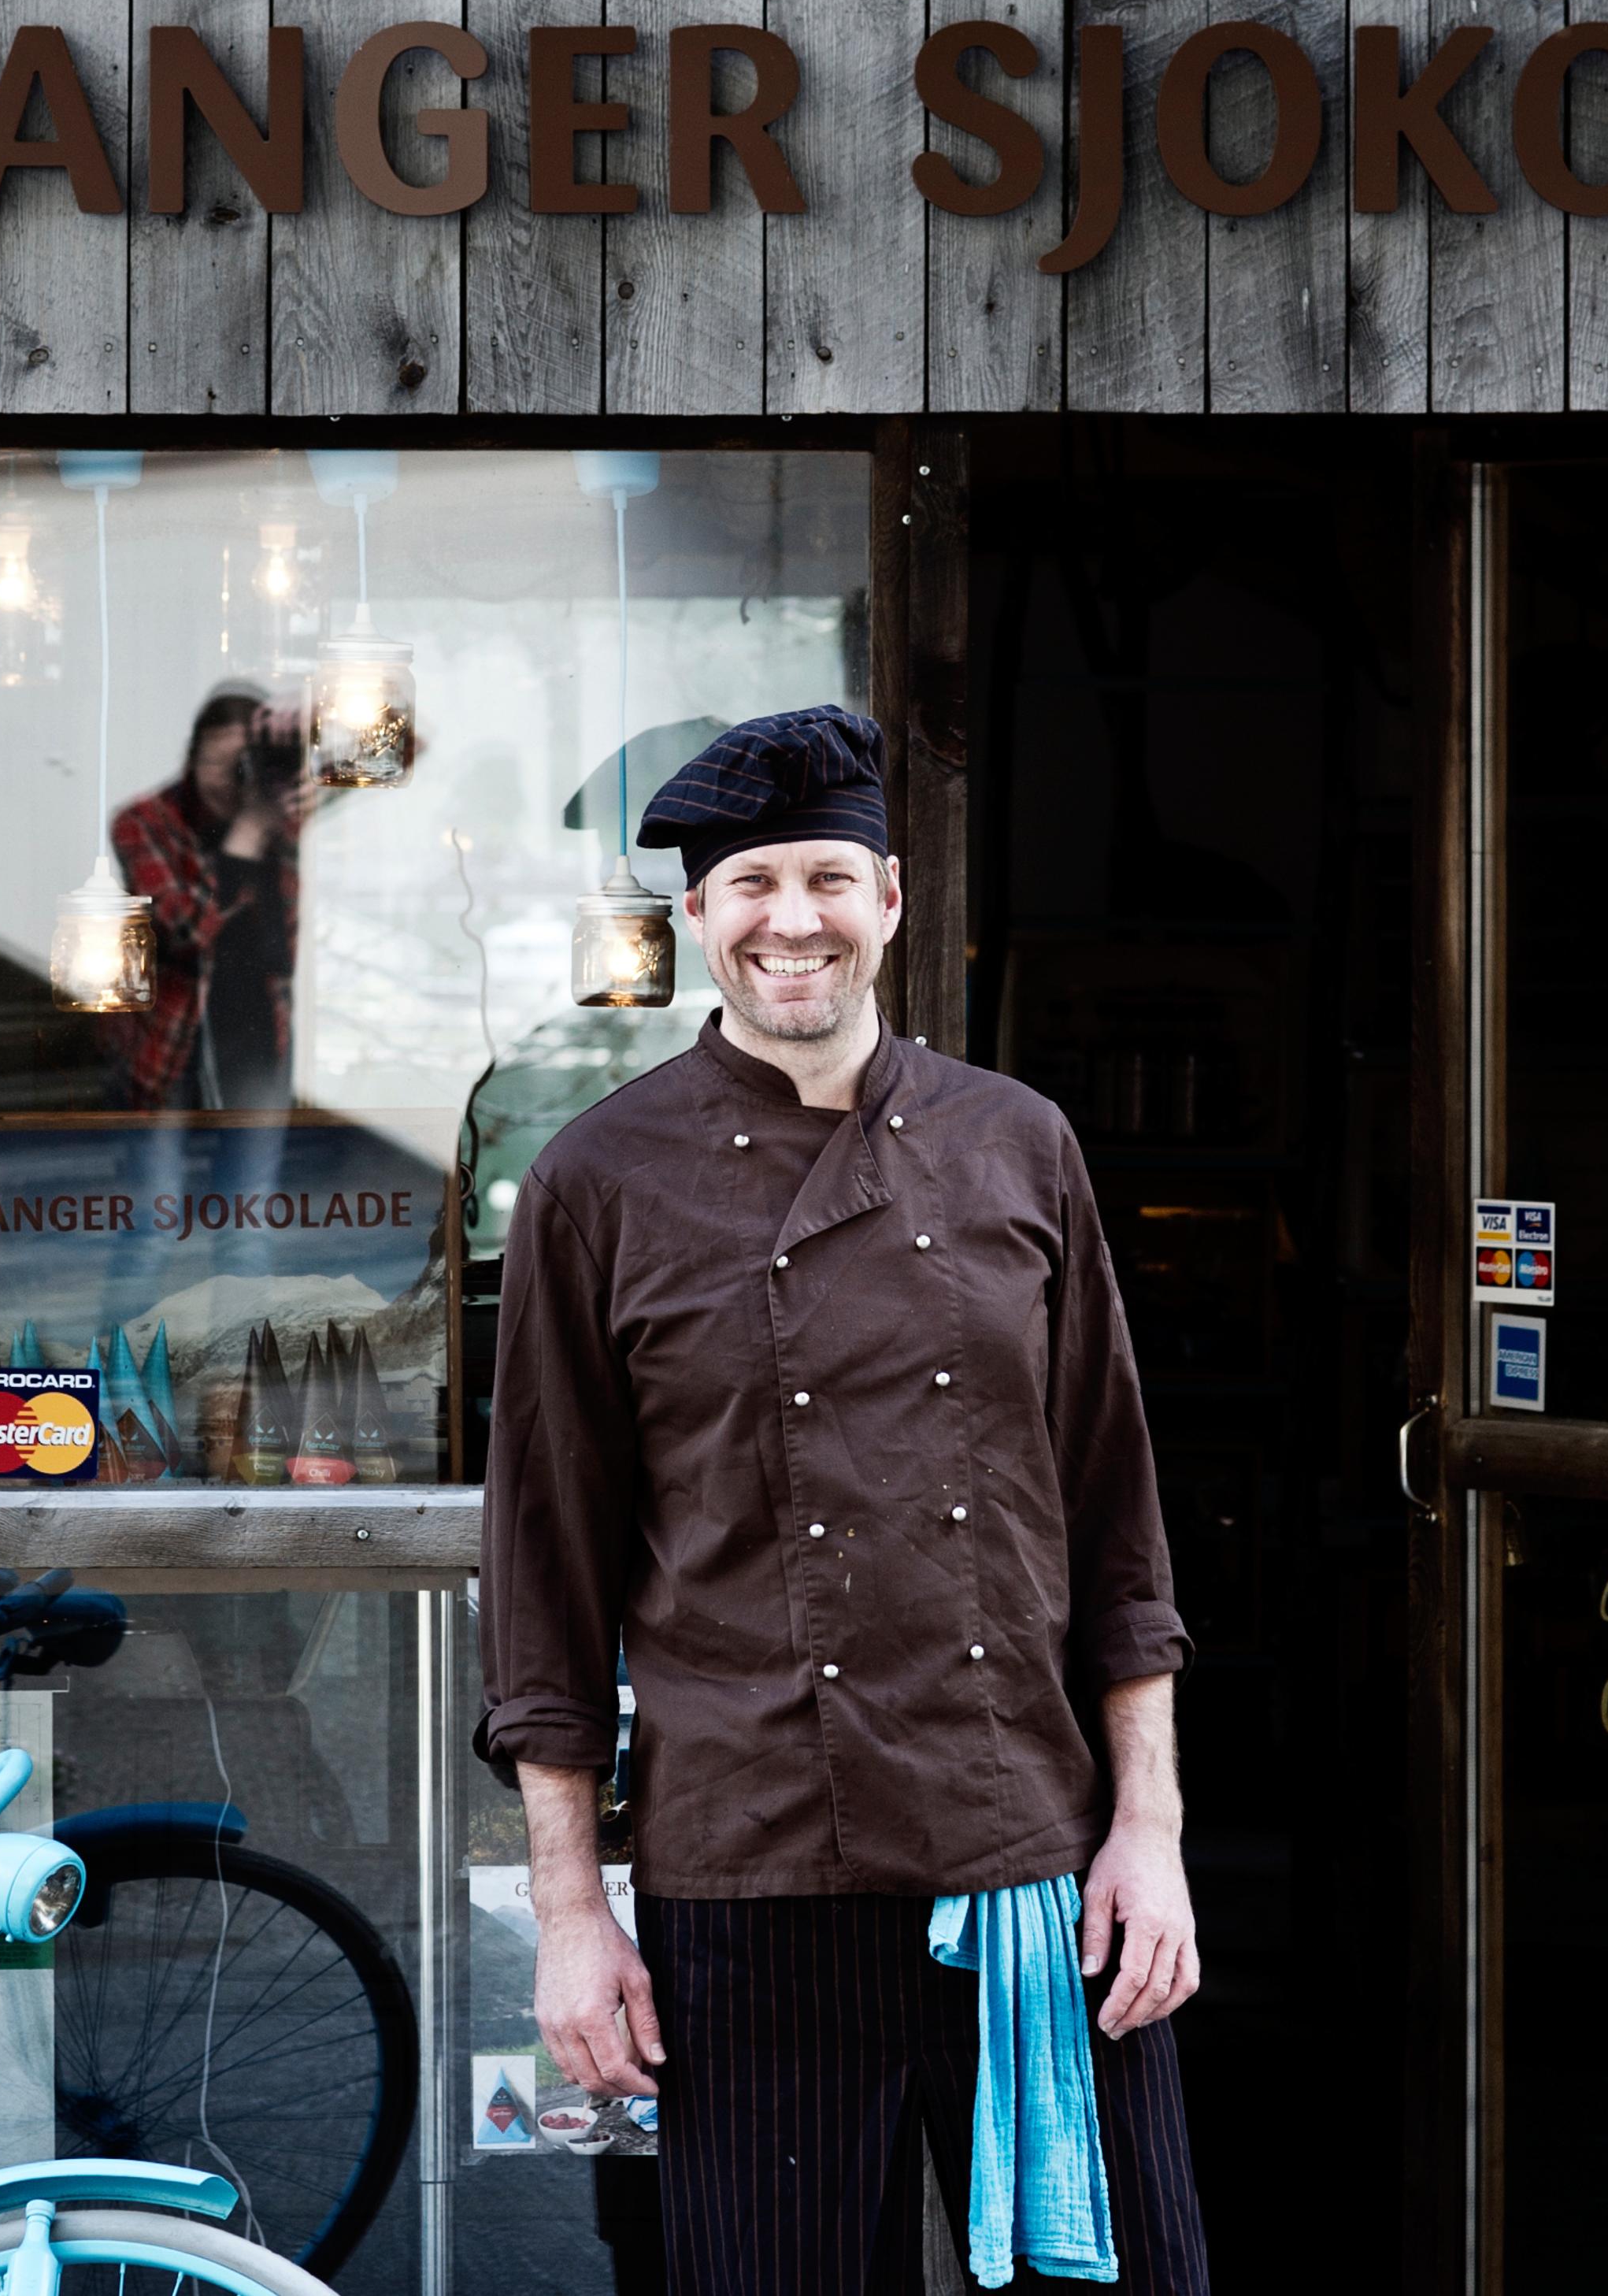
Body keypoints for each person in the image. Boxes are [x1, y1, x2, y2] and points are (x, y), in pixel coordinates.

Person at [479, 704, 1208, 2295]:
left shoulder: (1019, 1143)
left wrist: (1147, 1832)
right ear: (698, 915)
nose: (790, 920)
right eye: (751, 883)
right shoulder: (599, 1180)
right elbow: (546, 1581)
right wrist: (571, 1912)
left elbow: (1117, 1525)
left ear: (889, 897)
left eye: (826, 878)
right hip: (748, 1872)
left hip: (1027, 1856)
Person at [106, 686, 302, 1111]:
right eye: (215, 762)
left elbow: (404, 753)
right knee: (159, 1157)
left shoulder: (283, 808)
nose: (228, 780)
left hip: (260, 1026)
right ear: (191, 759)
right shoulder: (144, 822)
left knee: (255, 1157)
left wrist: (316, 713)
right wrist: (249, 833)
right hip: (166, 1031)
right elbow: (187, 931)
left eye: (242, 763)